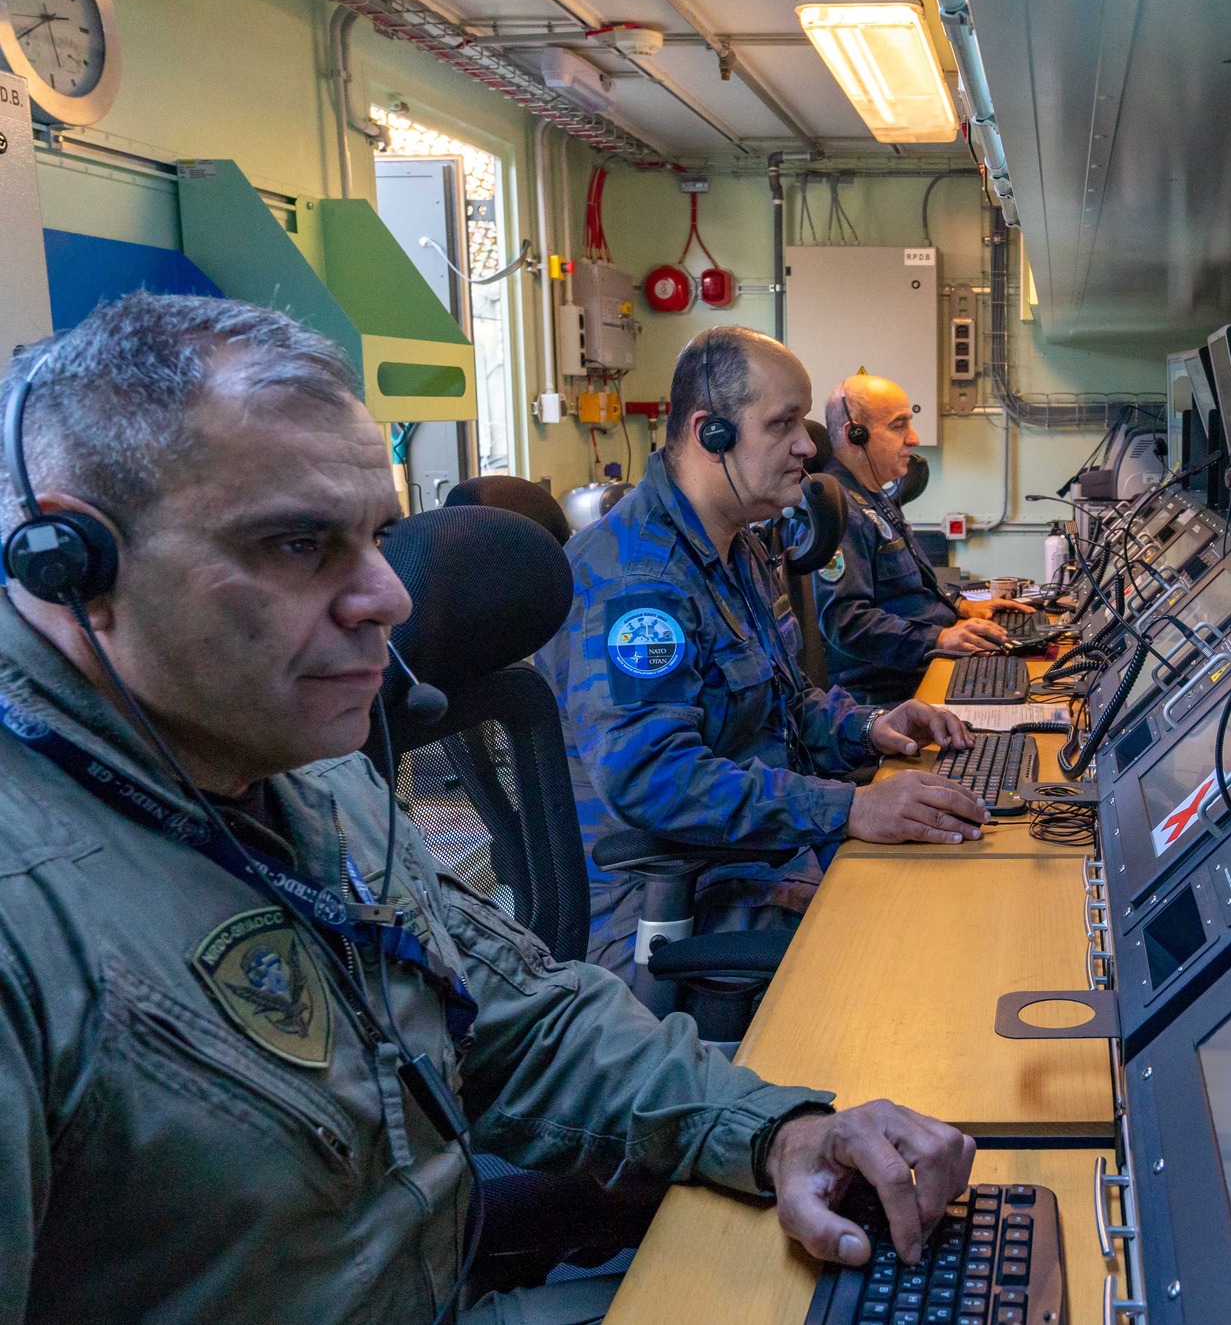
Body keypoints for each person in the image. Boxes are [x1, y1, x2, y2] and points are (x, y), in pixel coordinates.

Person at [0, 296, 975, 1324]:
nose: (390, 597)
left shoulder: (301, 774)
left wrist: (776, 1132)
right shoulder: (31, 917)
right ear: (76, 564)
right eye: (296, 545)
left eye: (378, 536)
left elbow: (523, 1023)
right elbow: (653, 779)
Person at [539, 329, 991, 981]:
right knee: (916, 954)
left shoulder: (737, 546)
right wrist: (848, 808)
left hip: (757, 854)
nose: (808, 445)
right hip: (666, 903)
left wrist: (871, 726)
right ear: (711, 433)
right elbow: (654, 779)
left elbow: (785, 703)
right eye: (783, 424)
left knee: (949, 899)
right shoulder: (638, 583)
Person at [811, 374, 1037, 704]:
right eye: (898, 425)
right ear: (854, 435)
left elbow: (907, 588)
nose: (914, 439)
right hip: (887, 692)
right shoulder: (840, 512)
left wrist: (960, 605)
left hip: (919, 666)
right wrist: (939, 638)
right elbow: (847, 622)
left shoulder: (874, 496)